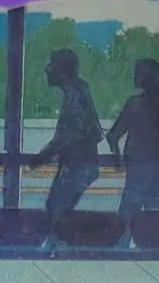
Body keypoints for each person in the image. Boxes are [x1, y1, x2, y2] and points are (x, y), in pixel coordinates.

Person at [107, 59, 159, 246]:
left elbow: (113, 136)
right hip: (155, 171)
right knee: (150, 225)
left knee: (126, 224)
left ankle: (119, 254)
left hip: (139, 171)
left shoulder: (135, 104)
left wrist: (118, 160)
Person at [30, 49, 104, 228]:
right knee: (57, 211)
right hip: (76, 165)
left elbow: (70, 134)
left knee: (56, 212)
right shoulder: (78, 90)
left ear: (62, 71)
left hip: (78, 166)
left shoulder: (75, 94)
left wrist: (44, 155)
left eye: (52, 66)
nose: (47, 70)